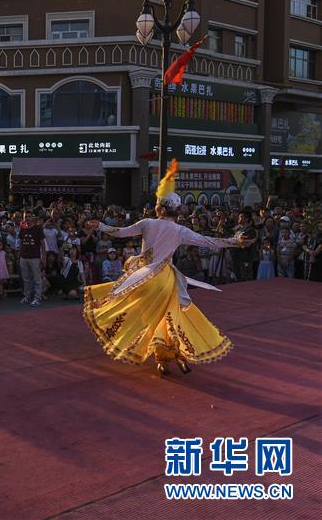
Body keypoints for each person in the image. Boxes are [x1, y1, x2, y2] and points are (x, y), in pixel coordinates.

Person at [83, 160, 253, 376]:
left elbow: (120, 232)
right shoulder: (180, 230)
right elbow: (209, 241)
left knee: (149, 319)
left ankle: (162, 358)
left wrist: (100, 225)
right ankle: (174, 355)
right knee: (171, 318)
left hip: (142, 279)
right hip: (164, 279)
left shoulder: (146, 223)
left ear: (159, 208)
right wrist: (235, 241)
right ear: (176, 210)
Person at [17, 213, 45, 307]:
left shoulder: (38, 228)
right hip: (24, 256)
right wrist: (19, 255)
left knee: (37, 278)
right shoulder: (23, 228)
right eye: (26, 217)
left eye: (29, 216)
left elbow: (42, 243)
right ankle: (27, 296)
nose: (27, 218)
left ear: (33, 218)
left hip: (35, 256)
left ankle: (37, 298)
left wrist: (43, 256)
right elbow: (21, 242)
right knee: (26, 278)